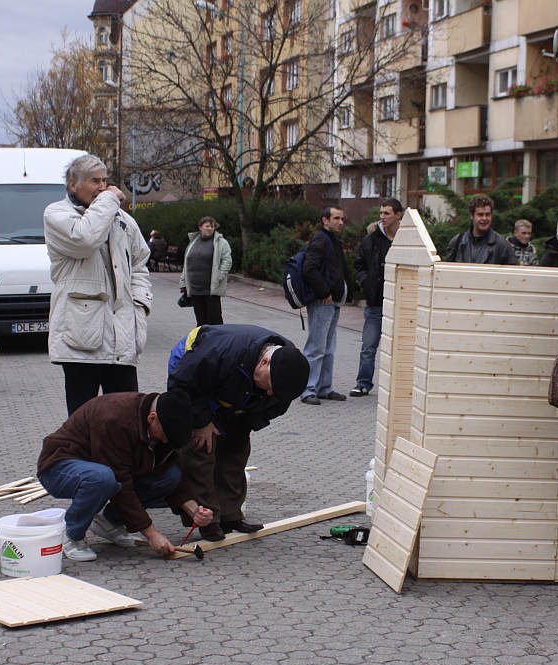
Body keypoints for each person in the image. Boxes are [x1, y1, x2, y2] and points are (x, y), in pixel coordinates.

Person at [166, 324, 310, 541]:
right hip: (192, 376)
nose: (270, 393)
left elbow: (274, 407)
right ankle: (206, 518)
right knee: (200, 448)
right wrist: (202, 421)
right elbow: (180, 386)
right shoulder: (220, 352)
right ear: (264, 362)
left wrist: (242, 426)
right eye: (270, 387)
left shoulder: (286, 373)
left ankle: (230, 515)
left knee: (236, 448)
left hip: (235, 388)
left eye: (275, 392)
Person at [37, 389, 212, 561]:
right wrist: (151, 533)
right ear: (152, 418)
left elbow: (167, 468)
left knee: (169, 477)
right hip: (59, 467)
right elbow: (122, 483)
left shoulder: (163, 424)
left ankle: (109, 523)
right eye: (165, 437)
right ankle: (71, 535)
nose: (166, 442)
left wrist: (194, 510)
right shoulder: (114, 419)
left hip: (102, 467)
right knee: (102, 479)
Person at [44, 154, 153, 416]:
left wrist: (140, 303)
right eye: (95, 181)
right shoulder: (57, 214)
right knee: (84, 422)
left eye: (105, 181)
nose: (103, 187)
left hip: (122, 337)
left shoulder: (122, 220)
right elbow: (85, 238)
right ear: (73, 184)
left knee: (127, 421)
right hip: (81, 340)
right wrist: (109, 200)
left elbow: (140, 262)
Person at [300, 206, 351, 405]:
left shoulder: (332, 240)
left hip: (334, 301)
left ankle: (324, 388)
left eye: (342, 219)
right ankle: (308, 390)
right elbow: (309, 269)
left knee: (328, 347)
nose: (340, 222)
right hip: (323, 302)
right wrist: (324, 292)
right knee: (316, 347)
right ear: (325, 220)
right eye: (336, 218)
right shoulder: (321, 239)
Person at [351, 198, 400, 397]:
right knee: (369, 346)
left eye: (387, 213)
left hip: (401, 304)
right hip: (376, 303)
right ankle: (363, 383)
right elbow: (359, 265)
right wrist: (366, 283)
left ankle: (398, 385)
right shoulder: (371, 240)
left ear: (398, 215)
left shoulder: (407, 240)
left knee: (399, 347)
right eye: (381, 213)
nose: (382, 217)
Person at [179, 216, 232, 326]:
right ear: (200, 227)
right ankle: (203, 341)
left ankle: (218, 342)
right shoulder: (193, 242)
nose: (210, 228)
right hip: (195, 288)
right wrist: (183, 282)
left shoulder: (221, 242)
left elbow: (227, 261)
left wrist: (219, 276)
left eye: (212, 226)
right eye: (207, 226)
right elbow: (187, 263)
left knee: (215, 320)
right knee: (200, 321)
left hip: (211, 289)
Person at [445, 194, 518, 265]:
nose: (484, 218)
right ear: (471, 215)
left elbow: (513, 274)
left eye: (487, 214)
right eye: (480, 214)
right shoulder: (457, 243)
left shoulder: (502, 246)